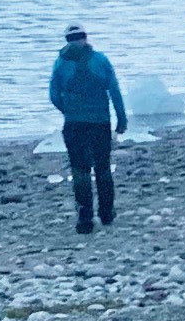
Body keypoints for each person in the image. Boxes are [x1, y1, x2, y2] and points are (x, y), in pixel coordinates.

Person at [50, 24, 129, 231]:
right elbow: (114, 91)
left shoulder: (60, 63)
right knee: (103, 167)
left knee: (80, 170)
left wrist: (68, 111)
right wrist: (121, 119)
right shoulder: (100, 60)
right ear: (86, 38)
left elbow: (53, 95)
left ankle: (84, 217)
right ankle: (106, 213)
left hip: (74, 124)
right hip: (100, 122)